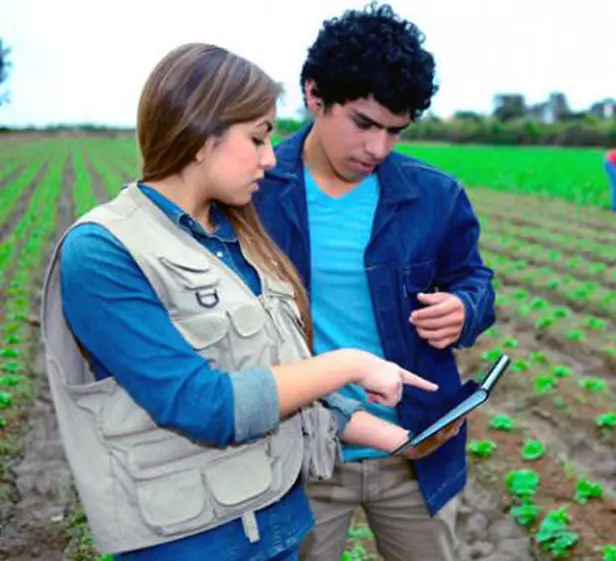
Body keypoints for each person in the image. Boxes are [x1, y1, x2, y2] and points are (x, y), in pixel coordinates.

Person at [39, 42, 442, 561]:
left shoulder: (236, 234)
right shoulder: (102, 251)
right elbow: (204, 405)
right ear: (202, 135)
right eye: (257, 137)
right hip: (193, 544)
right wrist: (348, 364)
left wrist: (401, 440)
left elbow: (280, 377)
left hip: (279, 523)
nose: (271, 157)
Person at [253, 4, 497, 560]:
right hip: (301, 451)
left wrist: (465, 307)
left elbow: (475, 279)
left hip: (414, 448)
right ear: (315, 95)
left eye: (395, 130)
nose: (378, 149)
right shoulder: (258, 189)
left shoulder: (434, 195)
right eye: (363, 123)